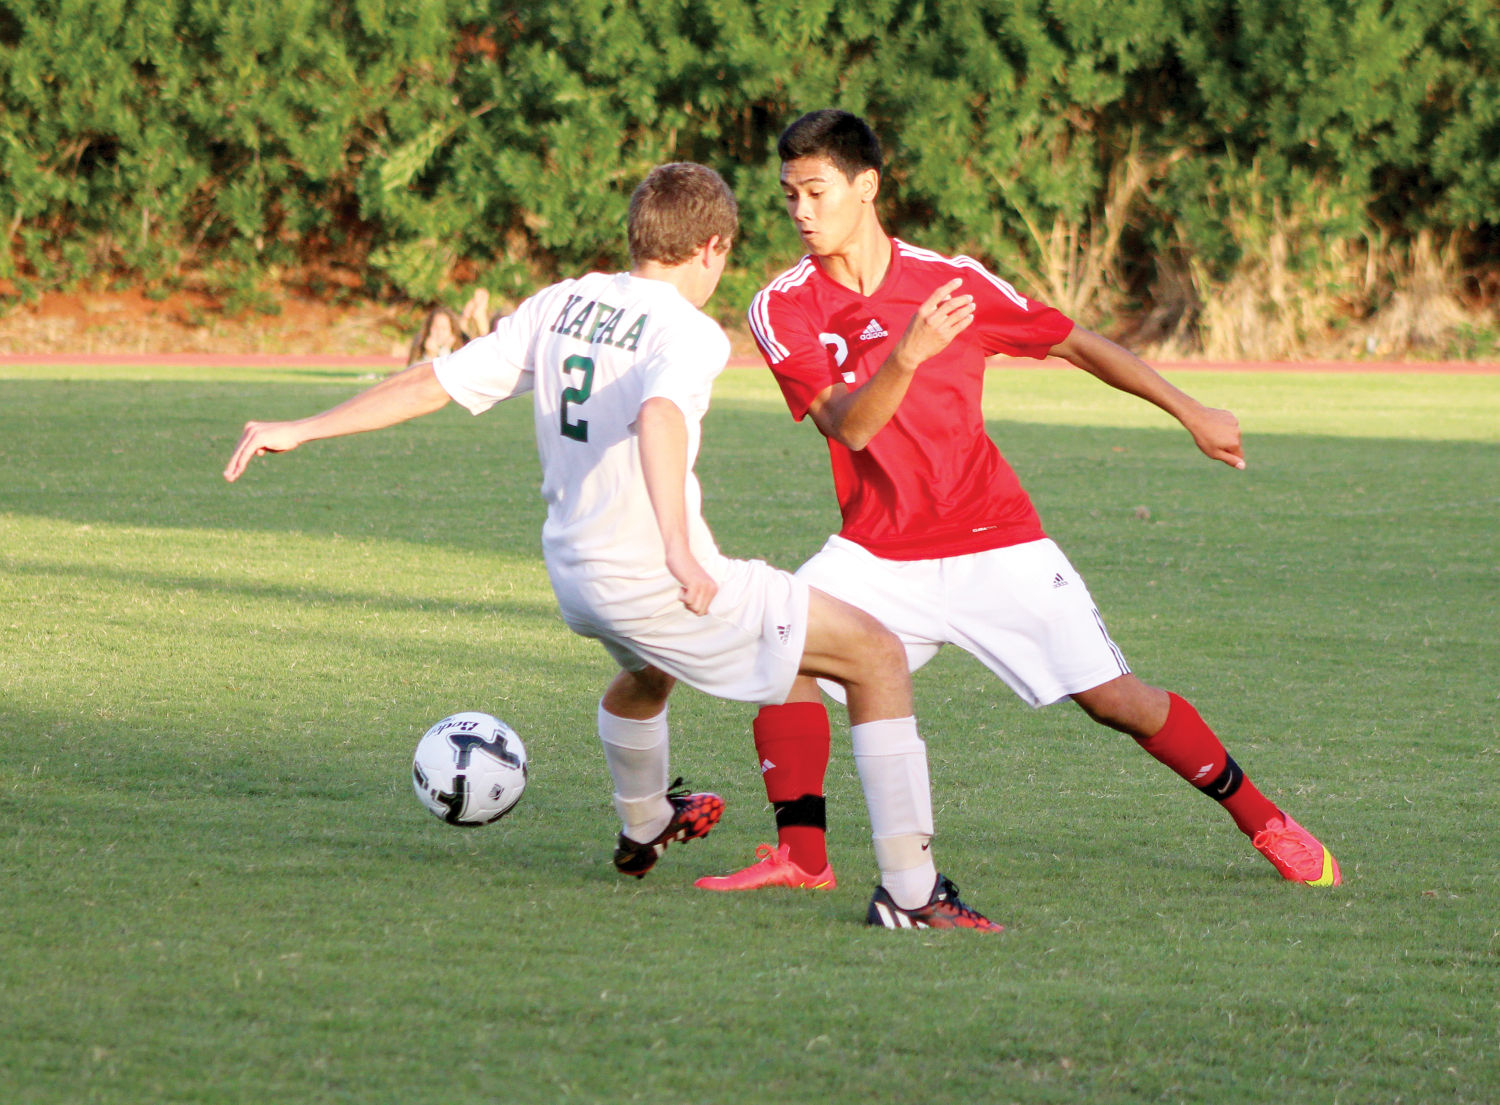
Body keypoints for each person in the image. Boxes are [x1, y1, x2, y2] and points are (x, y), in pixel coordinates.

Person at [224, 162, 1001, 932]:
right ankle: (912, 890)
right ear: (714, 248)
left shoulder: (564, 302)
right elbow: (661, 418)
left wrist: (302, 426)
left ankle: (643, 823)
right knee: (876, 654)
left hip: (574, 577)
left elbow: (439, 379)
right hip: (650, 575)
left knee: (650, 671)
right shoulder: (689, 333)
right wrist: (680, 552)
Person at [696, 110, 1341, 894]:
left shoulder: (952, 281)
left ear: (866, 187)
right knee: (781, 651)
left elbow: (1074, 339)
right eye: (789, 193)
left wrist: (1192, 411)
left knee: (1120, 702)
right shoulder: (784, 307)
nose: (799, 210)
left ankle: (1264, 819)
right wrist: (907, 355)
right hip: (877, 553)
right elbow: (853, 428)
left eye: (815, 191)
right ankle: (803, 856)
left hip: (994, 539)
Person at [405, 289, 499, 366]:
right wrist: (430, 356)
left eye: (444, 329)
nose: (439, 333)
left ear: (451, 331)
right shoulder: (420, 349)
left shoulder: (458, 352)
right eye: (436, 328)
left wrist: (477, 316)